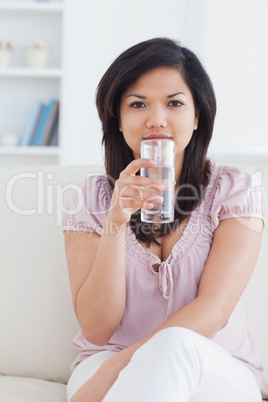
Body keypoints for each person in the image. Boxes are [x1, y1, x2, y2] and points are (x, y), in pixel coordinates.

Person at [63, 37, 265, 402]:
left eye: (174, 103)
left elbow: (215, 310)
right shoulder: (89, 198)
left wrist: (119, 366)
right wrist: (116, 221)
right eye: (138, 104)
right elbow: (96, 329)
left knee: (174, 345)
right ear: (119, 121)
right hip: (105, 356)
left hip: (212, 362)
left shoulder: (236, 188)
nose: (157, 119)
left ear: (197, 115)